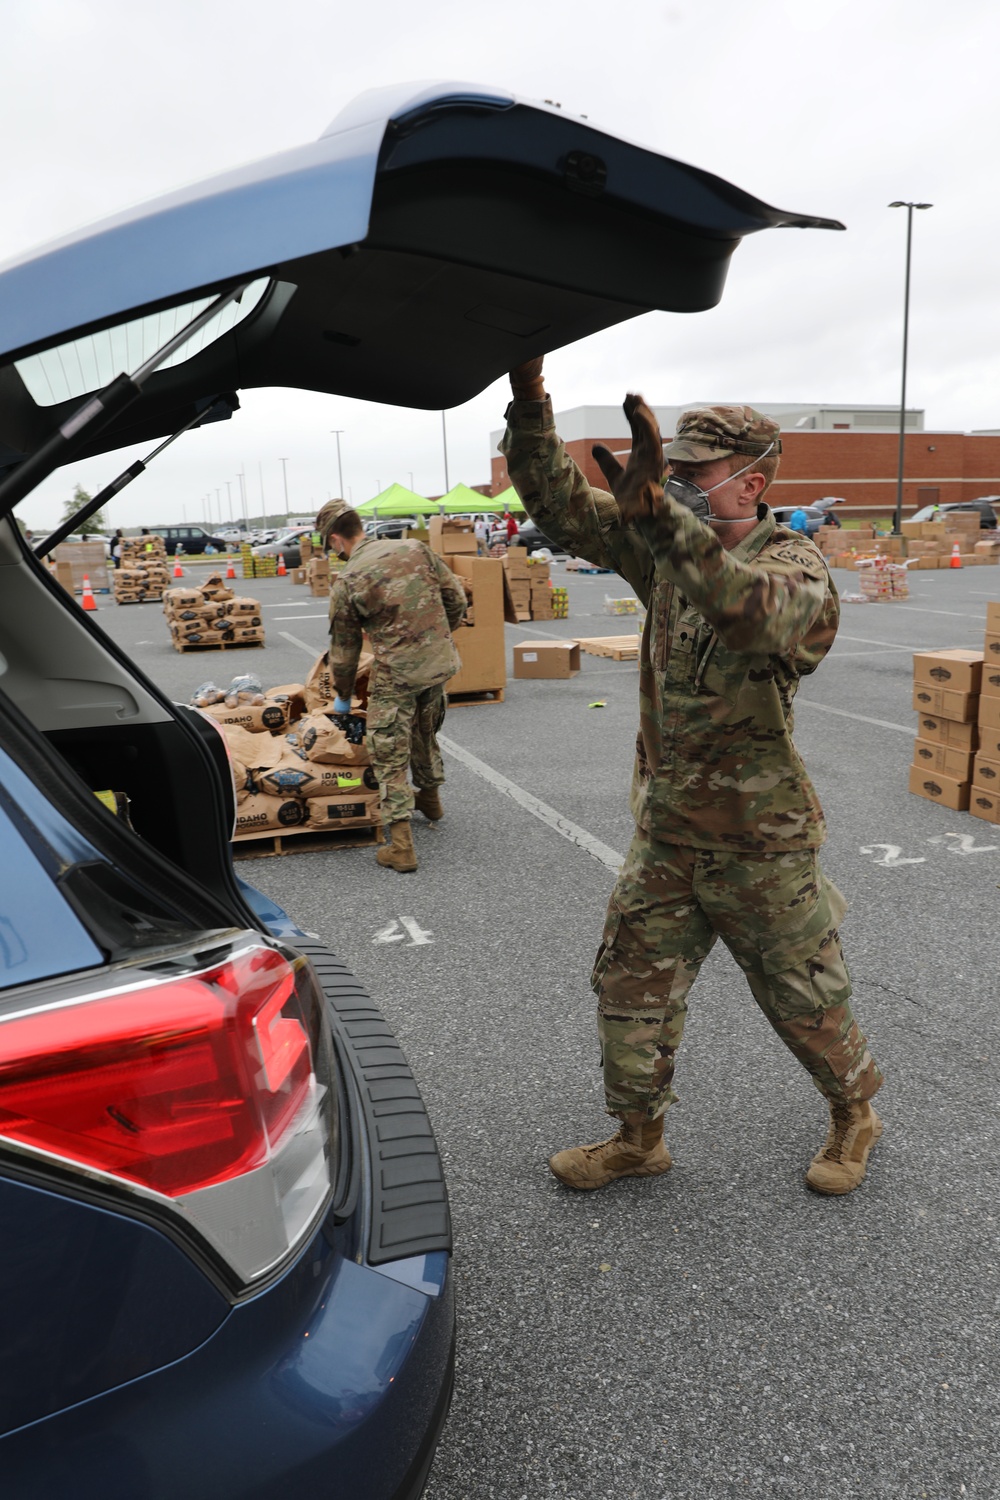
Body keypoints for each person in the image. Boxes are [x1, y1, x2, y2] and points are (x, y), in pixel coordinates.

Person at [500, 356, 883, 1197]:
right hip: (668, 831)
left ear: (752, 483)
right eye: (668, 473)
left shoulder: (799, 572)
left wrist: (659, 523)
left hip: (762, 843)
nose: (676, 487)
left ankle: (855, 1113)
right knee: (630, 988)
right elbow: (561, 507)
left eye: (694, 475)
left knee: (804, 999)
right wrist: (531, 400)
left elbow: (747, 614)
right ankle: (639, 1138)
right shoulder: (663, 549)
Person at [316, 499, 467, 872]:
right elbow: (457, 600)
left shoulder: (349, 579)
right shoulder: (415, 548)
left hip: (397, 673)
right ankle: (430, 800)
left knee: (388, 751)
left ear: (336, 540)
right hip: (437, 664)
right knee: (425, 729)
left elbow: (345, 652)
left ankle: (400, 847)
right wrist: (436, 638)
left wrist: (344, 697)